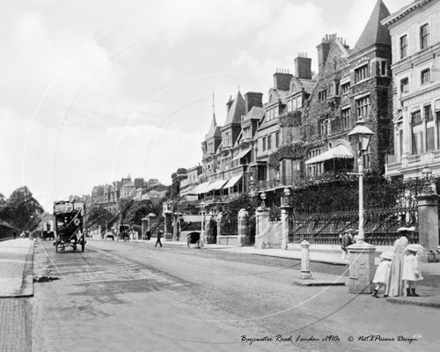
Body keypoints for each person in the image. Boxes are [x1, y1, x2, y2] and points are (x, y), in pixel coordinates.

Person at [385, 226, 414, 297]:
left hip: (396, 257)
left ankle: (393, 291)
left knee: (396, 273)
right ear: (406, 233)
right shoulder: (405, 240)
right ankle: (401, 291)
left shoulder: (398, 240)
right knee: (402, 272)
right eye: (409, 233)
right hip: (402, 257)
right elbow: (404, 249)